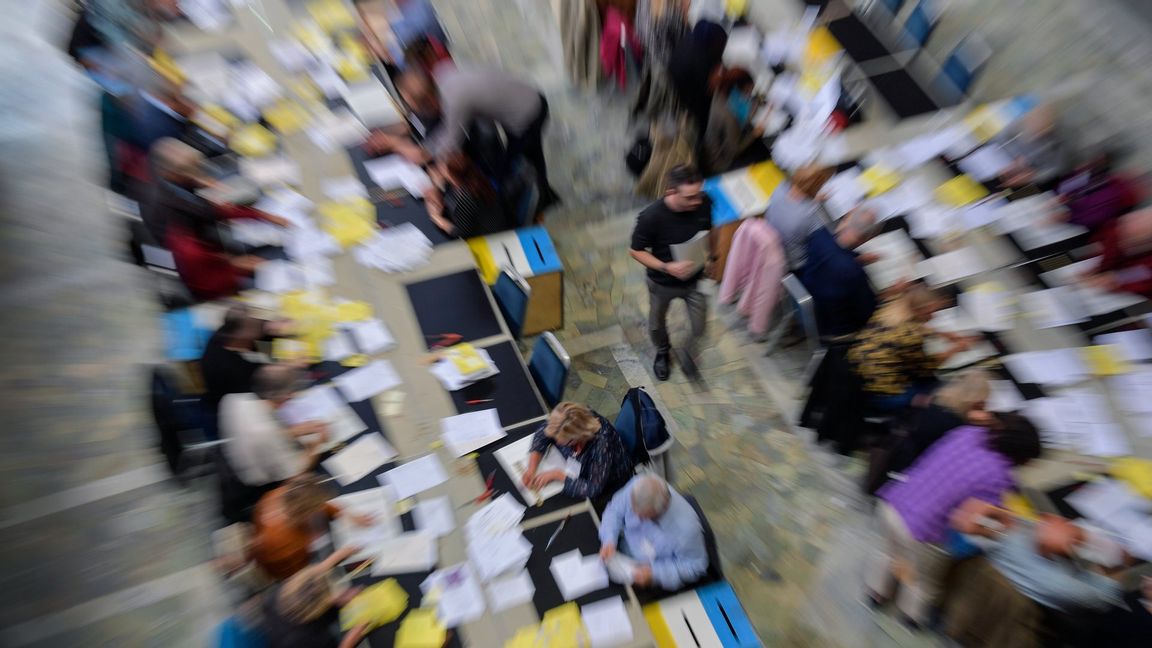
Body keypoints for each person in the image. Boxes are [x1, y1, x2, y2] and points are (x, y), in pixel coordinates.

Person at [866, 414, 1043, 626]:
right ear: (1021, 456)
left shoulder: (969, 433)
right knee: (921, 581)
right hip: (922, 530)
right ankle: (911, 616)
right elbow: (969, 521)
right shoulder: (998, 476)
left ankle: (877, 594)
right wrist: (1004, 523)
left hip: (894, 501)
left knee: (888, 553)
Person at [396, 64, 559, 209]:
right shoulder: (443, 76)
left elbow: (451, 143)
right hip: (525, 97)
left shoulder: (456, 100)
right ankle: (545, 194)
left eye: (416, 108)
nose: (416, 113)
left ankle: (537, 202)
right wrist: (425, 149)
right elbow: (446, 129)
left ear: (429, 100)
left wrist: (423, 153)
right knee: (528, 157)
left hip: (527, 114)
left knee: (513, 170)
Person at [150, 138, 288, 299]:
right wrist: (237, 265)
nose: (198, 175)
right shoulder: (179, 232)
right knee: (283, 263)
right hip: (215, 282)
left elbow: (216, 210)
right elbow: (203, 273)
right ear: (172, 174)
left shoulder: (174, 188)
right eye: (191, 171)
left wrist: (264, 216)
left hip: (217, 254)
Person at [950, 499, 1124, 615]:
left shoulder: (1006, 537)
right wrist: (1084, 537)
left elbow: (999, 527)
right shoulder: (1062, 585)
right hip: (1095, 610)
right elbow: (1107, 599)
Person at [629, 164, 715, 380]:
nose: (697, 201)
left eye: (699, 194)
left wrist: (711, 257)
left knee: (699, 326)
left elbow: (709, 231)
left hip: (695, 280)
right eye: (690, 197)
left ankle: (687, 351)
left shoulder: (703, 203)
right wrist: (666, 267)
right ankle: (663, 352)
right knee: (657, 324)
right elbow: (635, 251)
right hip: (662, 283)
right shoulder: (651, 217)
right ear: (671, 192)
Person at [848, 283, 974, 412]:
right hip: (886, 395)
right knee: (949, 391)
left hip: (860, 379)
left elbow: (912, 325)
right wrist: (957, 348)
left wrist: (943, 334)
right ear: (921, 309)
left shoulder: (889, 310)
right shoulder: (910, 337)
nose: (933, 316)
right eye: (932, 311)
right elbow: (928, 367)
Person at [219, 364, 328, 491]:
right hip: (261, 485)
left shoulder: (232, 399)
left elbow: (263, 433)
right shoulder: (265, 433)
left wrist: (294, 431)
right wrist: (317, 444)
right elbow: (295, 474)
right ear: (288, 396)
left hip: (237, 461)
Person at [249, 474, 371, 580]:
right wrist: (339, 555)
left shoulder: (285, 493)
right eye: (316, 509)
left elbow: (319, 503)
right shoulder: (282, 542)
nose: (321, 508)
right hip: (292, 571)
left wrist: (345, 513)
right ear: (305, 514)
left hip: (295, 549)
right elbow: (302, 580)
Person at [598, 474, 708, 591]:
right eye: (634, 511)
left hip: (648, 574)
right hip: (618, 550)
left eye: (644, 517)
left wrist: (655, 574)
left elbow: (695, 566)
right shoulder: (638, 484)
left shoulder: (687, 528)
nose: (637, 518)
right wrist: (609, 539)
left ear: (663, 508)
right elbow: (614, 511)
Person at [883, 370, 993, 480]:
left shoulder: (932, 402)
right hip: (911, 474)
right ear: (974, 401)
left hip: (895, 458)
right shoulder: (956, 425)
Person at [523, 402, 635, 500]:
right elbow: (543, 433)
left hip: (609, 482)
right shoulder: (569, 418)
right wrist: (532, 468)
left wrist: (557, 475)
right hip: (573, 467)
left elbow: (593, 489)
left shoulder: (602, 445)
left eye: (562, 442)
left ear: (577, 437)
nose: (556, 442)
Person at [797, 208, 878, 337]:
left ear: (847, 221)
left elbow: (832, 256)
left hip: (805, 300)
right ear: (865, 238)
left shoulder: (820, 235)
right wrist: (889, 294)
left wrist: (856, 259)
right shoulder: (853, 272)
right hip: (828, 325)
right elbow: (868, 311)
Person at [261, 554, 370, 648]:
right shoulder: (305, 640)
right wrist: (352, 637)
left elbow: (311, 582)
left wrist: (333, 559)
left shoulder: (279, 594)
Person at [422, 151, 512, 237]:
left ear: (450, 176)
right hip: (501, 218)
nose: (437, 168)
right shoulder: (472, 176)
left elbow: (460, 232)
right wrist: (438, 188)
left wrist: (437, 218)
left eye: (440, 169)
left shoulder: (463, 199)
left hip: (495, 235)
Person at [667, 21, 728, 145]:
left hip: (675, 86)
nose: (723, 48)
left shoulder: (693, 38)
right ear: (713, 43)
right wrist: (723, 76)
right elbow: (711, 88)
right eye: (722, 44)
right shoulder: (699, 61)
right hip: (687, 101)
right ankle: (703, 141)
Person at [764, 164, 833, 272]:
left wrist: (813, 200)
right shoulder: (809, 217)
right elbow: (827, 241)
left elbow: (793, 207)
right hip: (794, 264)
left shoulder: (780, 188)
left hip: (770, 248)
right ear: (819, 186)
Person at [700, 68, 764, 175]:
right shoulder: (729, 116)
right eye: (749, 90)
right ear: (740, 89)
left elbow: (746, 106)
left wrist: (755, 103)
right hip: (721, 163)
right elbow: (734, 150)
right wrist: (755, 134)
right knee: (762, 156)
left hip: (720, 146)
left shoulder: (722, 91)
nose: (750, 92)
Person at [1081, 208, 1152, 298]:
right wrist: (1098, 268)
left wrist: (1115, 280)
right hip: (1104, 280)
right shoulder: (1118, 229)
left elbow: (1144, 274)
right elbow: (1109, 249)